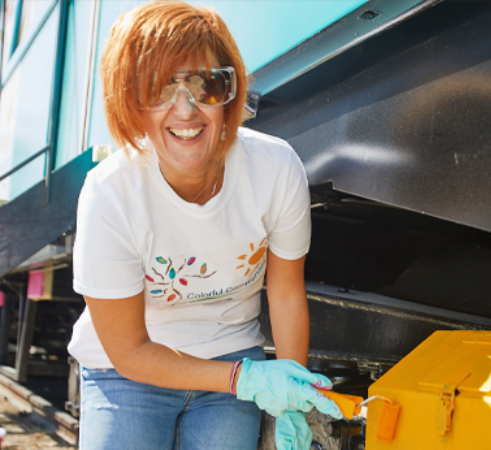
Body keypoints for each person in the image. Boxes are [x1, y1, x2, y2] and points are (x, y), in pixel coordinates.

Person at [66, 1, 342, 449]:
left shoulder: (275, 168)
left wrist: (295, 397)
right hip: (126, 373)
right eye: (157, 88)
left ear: (230, 93)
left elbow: (286, 292)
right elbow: (129, 350)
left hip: (230, 356)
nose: (186, 109)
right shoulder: (110, 193)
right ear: (130, 104)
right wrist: (246, 379)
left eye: (207, 84)